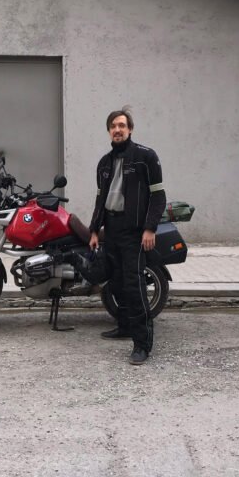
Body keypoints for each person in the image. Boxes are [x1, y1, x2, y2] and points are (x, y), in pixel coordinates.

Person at [89, 108, 166, 365]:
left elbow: (158, 197)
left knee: (134, 286)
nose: (117, 130)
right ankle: (124, 326)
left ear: (130, 129)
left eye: (122, 125)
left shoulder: (146, 157)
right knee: (116, 282)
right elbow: (100, 200)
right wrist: (94, 230)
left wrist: (150, 228)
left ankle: (142, 344)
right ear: (109, 131)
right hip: (111, 228)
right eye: (113, 126)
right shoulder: (104, 163)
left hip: (134, 231)